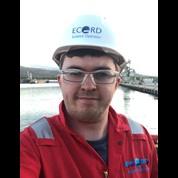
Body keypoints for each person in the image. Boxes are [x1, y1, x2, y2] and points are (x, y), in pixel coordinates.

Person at [20, 14, 158, 178]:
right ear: (60, 81)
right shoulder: (31, 144)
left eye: (102, 74)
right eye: (75, 73)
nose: (88, 86)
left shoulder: (141, 139)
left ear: (116, 83)